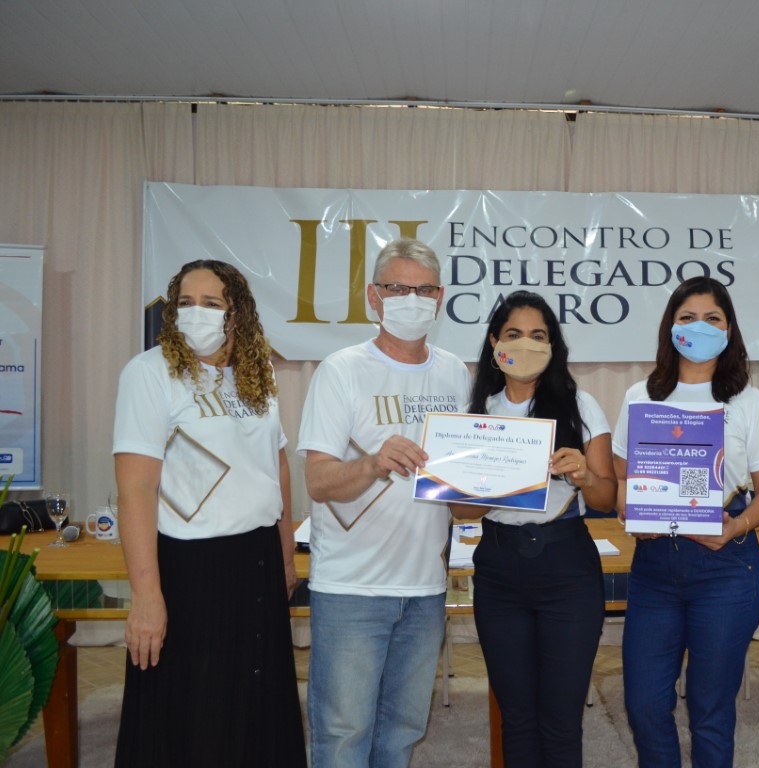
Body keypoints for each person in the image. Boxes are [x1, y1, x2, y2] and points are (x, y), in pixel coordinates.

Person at [112, 259, 305, 766]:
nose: (195, 313)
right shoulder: (150, 372)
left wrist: (285, 555)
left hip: (257, 559)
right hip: (191, 569)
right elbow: (136, 488)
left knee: (257, 708)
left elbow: (277, 466)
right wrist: (146, 597)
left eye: (211, 303)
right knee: (196, 711)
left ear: (235, 314)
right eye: (185, 303)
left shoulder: (257, 372)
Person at [298, 238, 471, 768]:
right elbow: (317, 481)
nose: (411, 300)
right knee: (343, 734)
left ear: (440, 298)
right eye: (397, 288)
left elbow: (463, 481)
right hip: (352, 588)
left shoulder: (455, 372)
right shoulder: (341, 370)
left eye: (423, 290)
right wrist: (373, 463)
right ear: (374, 297)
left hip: (424, 588)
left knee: (402, 731)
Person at [611, 276, 759, 768]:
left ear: (729, 330)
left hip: (726, 567)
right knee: (644, 704)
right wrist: (631, 511)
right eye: (687, 317)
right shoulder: (640, 395)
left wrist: (735, 528)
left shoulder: (748, 401)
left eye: (712, 318)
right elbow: (622, 477)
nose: (699, 327)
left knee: (710, 709)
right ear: (671, 326)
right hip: (654, 567)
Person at [448, 291, 617, 768]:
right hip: (499, 569)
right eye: (514, 334)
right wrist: (491, 481)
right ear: (494, 342)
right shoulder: (475, 412)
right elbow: (461, 512)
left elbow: (606, 498)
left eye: (538, 335)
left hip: (567, 568)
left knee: (561, 719)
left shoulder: (580, 405)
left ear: (552, 345)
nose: (526, 344)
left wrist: (584, 476)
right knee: (517, 716)